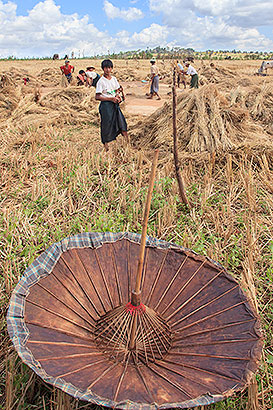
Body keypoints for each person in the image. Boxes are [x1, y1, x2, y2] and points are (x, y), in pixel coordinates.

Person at [95, 59, 128, 152]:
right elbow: (97, 96)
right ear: (103, 69)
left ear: (112, 68)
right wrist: (111, 99)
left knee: (122, 124)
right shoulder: (101, 81)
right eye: (106, 68)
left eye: (109, 68)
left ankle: (128, 146)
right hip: (106, 106)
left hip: (115, 105)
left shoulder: (114, 79)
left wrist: (117, 96)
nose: (108, 70)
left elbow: (116, 90)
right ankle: (106, 147)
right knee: (106, 126)